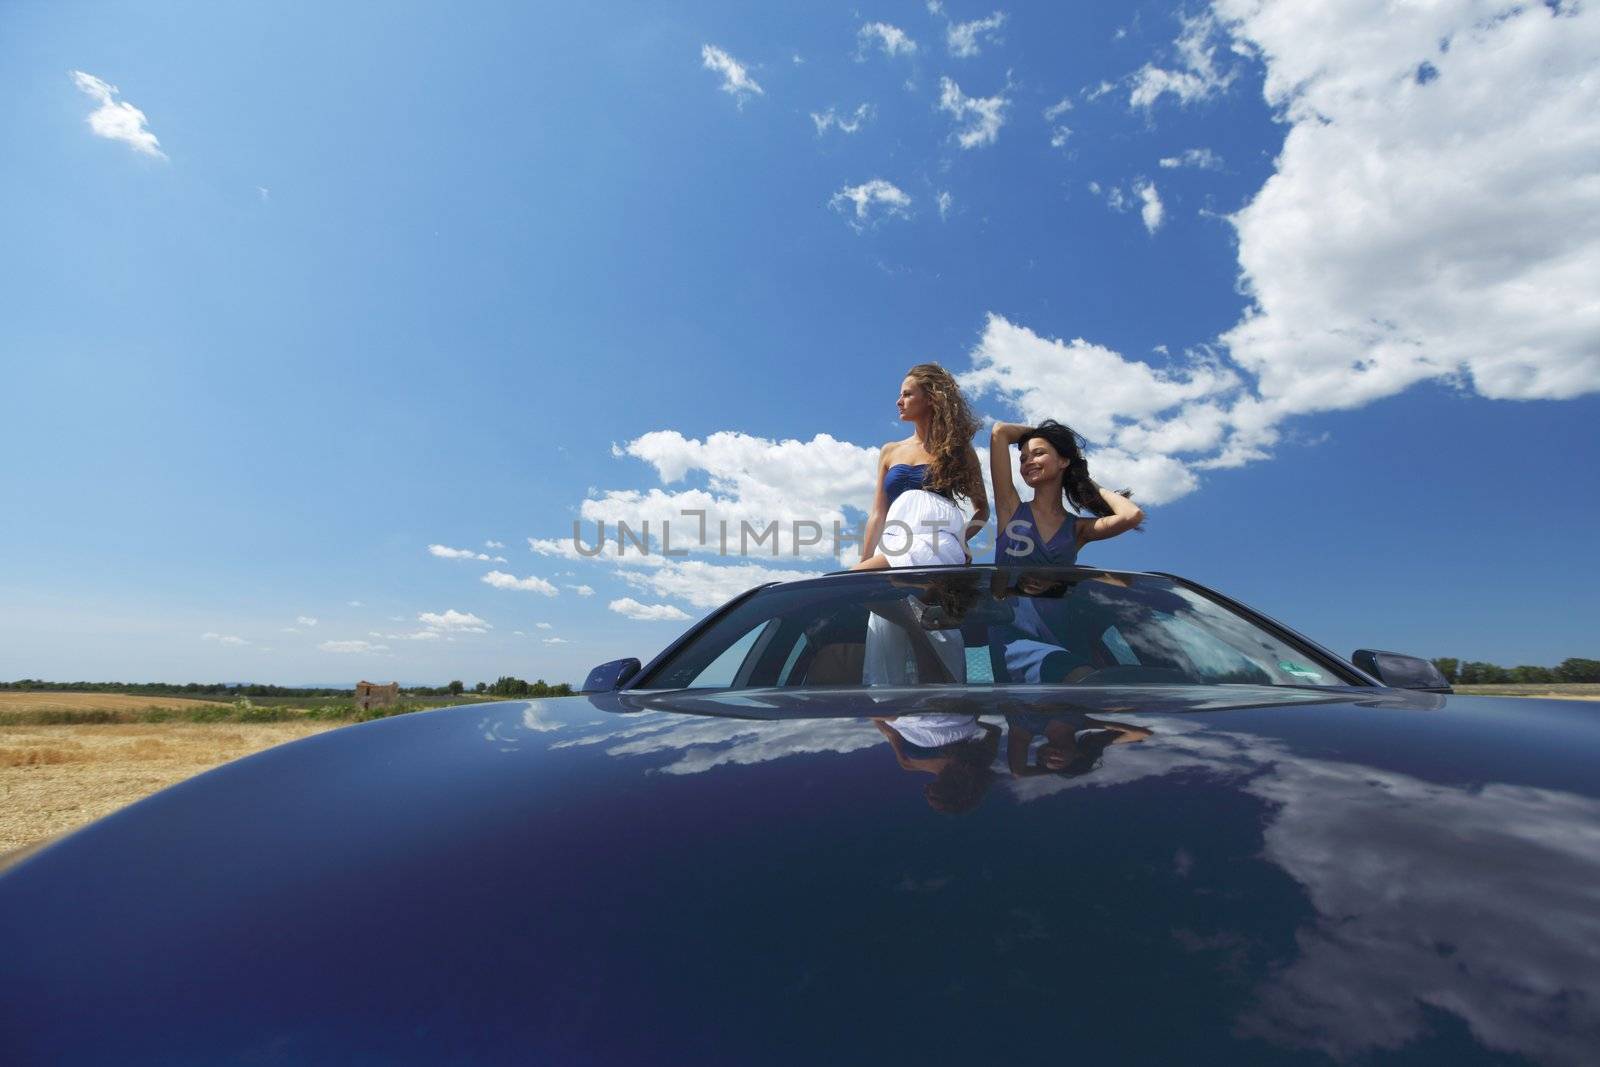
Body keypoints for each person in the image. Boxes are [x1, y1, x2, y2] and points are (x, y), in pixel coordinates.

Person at [987, 420, 1144, 683]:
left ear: (1063, 461)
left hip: (1065, 632)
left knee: (1062, 717)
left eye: (1039, 453)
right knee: (1078, 680)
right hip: (1015, 636)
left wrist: (1083, 479)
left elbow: (1131, 514)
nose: (1028, 462)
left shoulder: (1077, 528)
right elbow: (999, 432)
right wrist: (1041, 434)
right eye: (1023, 458)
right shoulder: (1011, 509)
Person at [854, 364, 988, 571]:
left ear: (931, 398)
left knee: (848, 586)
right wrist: (864, 560)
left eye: (907, 394)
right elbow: (878, 514)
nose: (899, 402)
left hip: (936, 543)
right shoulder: (889, 451)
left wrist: (960, 539)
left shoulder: (959, 450)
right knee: (872, 595)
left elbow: (982, 510)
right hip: (894, 542)